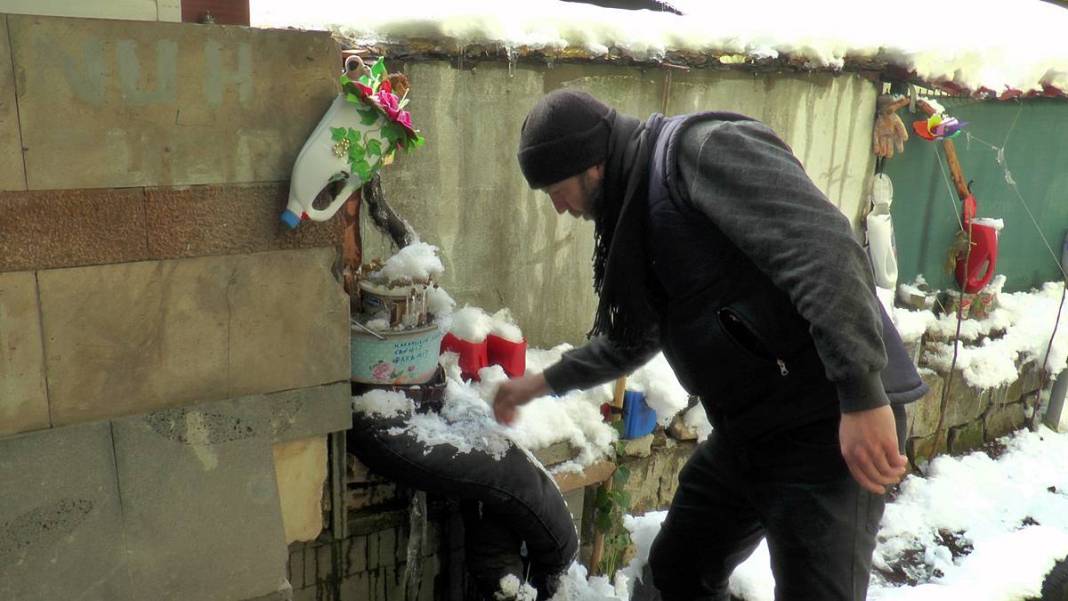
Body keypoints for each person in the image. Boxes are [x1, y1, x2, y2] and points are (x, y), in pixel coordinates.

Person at [493, 89, 927, 600]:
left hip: (825, 422)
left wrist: (861, 393)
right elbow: (634, 338)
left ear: (591, 163)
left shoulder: (701, 151)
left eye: (556, 189)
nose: (559, 209)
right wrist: (540, 383)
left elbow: (827, 251)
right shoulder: (636, 217)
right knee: (680, 569)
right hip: (752, 431)